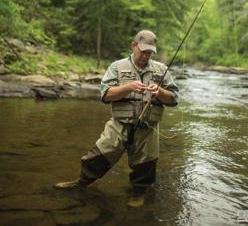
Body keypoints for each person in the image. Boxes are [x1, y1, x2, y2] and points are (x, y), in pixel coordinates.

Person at [54, 30, 179, 207]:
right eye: (143, 51)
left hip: (148, 127)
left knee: (146, 164)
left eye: (149, 52)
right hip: (119, 123)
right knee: (99, 155)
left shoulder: (161, 70)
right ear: (133, 45)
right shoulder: (117, 67)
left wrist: (160, 92)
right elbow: (105, 95)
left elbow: (174, 99)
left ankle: (138, 193)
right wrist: (127, 88)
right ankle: (82, 182)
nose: (145, 55)